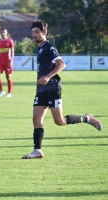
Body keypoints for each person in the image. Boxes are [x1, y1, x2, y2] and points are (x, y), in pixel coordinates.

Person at [22, 20, 102, 159]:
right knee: (36, 119)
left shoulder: (49, 47)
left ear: (44, 32)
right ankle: (37, 150)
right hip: (41, 89)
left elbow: (61, 64)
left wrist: (47, 76)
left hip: (53, 88)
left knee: (59, 121)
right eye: (32, 32)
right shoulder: (40, 47)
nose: (33, 35)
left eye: (37, 32)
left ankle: (86, 118)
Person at [0, 28, 14, 97]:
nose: (2, 33)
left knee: (8, 77)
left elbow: (12, 51)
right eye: (1, 32)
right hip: (0, 61)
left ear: (6, 33)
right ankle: (1, 90)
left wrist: (11, 61)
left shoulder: (10, 40)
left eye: (4, 32)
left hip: (7, 61)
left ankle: (9, 93)